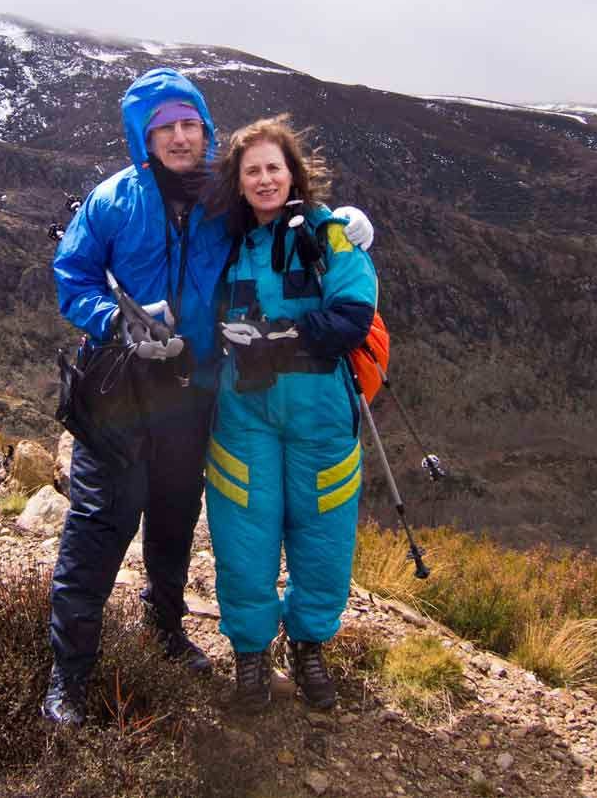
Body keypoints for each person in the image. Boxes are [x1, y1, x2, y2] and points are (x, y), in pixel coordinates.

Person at [44, 70, 374, 726]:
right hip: (118, 391)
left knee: (171, 521)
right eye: (162, 127)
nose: (177, 137)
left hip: (193, 394)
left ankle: (164, 632)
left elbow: (278, 219)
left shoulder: (222, 201)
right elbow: (73, 276)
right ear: (143, 136)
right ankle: (69, 674)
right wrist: (114, 320)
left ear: (204, 129)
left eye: (187, 124)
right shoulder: (112, 200)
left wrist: (344, 226)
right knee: (100, 526)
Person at [202, 114, 378, 713]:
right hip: (244, 416)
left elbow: (353, 317)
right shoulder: (223, 244)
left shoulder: (330, 237)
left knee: (323, 539)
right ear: (239, 180)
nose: (264, 179)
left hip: (321, 417)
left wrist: (280, 335)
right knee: (243, 540)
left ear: (292, 172)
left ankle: (308, 647)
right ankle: (251, 657)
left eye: (273, 167)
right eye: (252, 171)